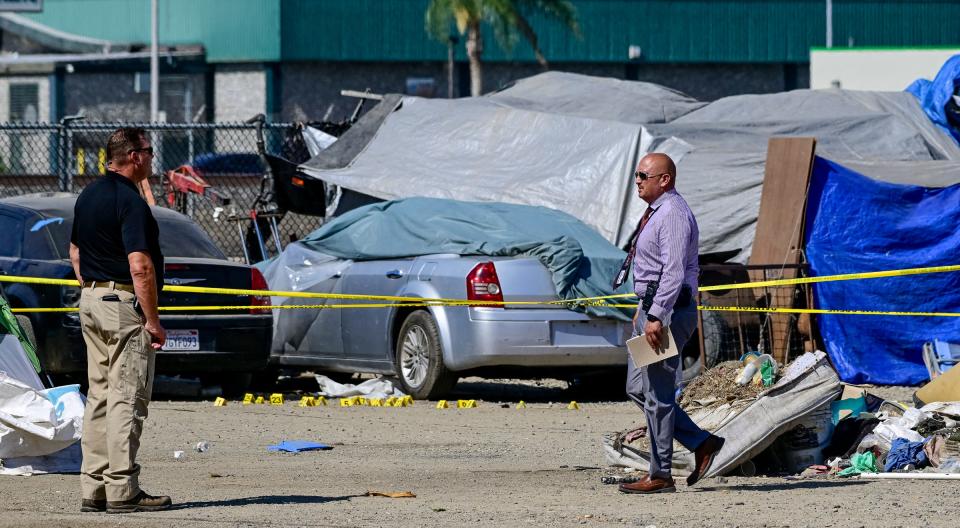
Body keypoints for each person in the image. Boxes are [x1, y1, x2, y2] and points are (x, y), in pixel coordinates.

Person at [69, 127, 171, 513]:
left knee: (99, 394)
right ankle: (122, 490)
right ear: (133, 155)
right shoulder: (130, 201)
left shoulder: (89, 195)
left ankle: (93, 488)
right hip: (122, 302)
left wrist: (92, 289)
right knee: (127, 395)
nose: (151, 158)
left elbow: (75, 250)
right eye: (148, 151)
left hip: (92, 300)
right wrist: (153, 319)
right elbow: (140, 266)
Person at [615, 152, 725, 494]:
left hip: (669, 313)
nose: (637, 181)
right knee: (638, 387)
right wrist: (642, 309)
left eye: (643, 176)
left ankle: (660, 474)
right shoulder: (656, 212)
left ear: (665, 179)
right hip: (652, 309)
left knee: (659, 395)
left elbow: (674, 271)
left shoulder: (674, 214)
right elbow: (651, 267)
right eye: (636, 175)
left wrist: (657, 314)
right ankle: (701, 442)